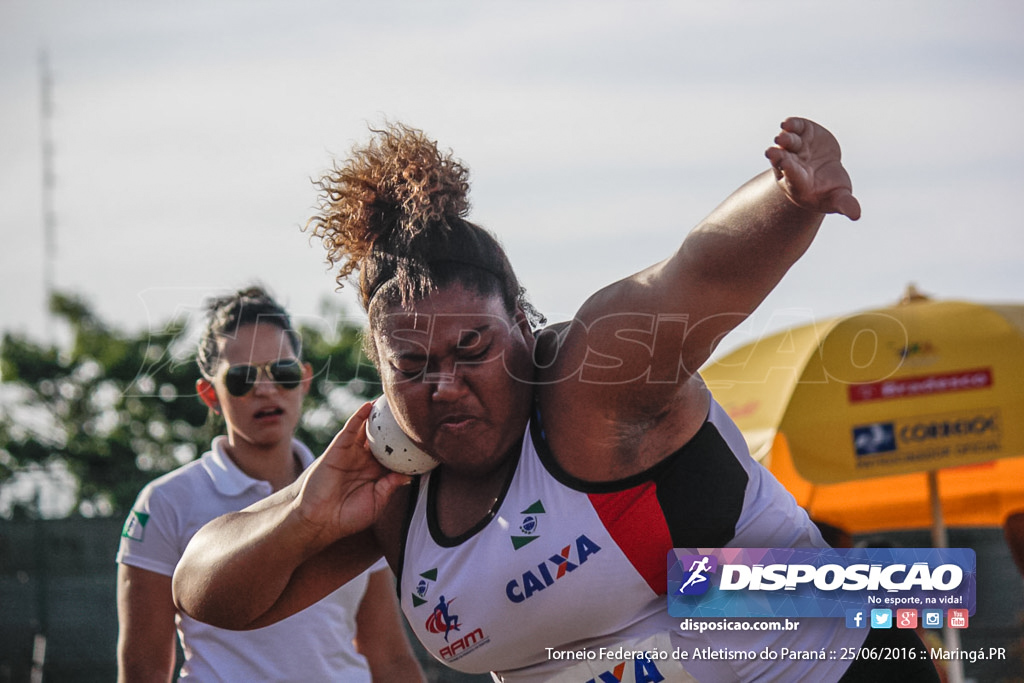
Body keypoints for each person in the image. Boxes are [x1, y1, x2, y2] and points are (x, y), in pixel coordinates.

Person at [173, 120, 939, 682]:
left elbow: (693, 276)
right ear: (379, 373)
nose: (445, 385)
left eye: (473, 348)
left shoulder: (586, 385)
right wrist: (307, 506)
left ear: (524, 325)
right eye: (411, 364)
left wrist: (788, 197)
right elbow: (204, 591)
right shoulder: (390, 491)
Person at [115, 286, 425, 682]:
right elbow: (144, 670)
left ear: (305, 378)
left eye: (282, 372)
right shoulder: (164, 502)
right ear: (209, 393)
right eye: (242, 378)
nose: (265, 389)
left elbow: (389, 657)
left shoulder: (359, 491)